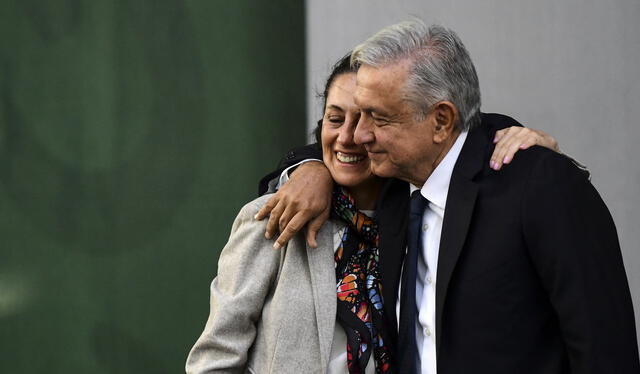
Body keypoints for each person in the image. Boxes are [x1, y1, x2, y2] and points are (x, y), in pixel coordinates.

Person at [256, 21, 639, 374]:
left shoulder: (540, 187)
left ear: (440, 121)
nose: (360, 135)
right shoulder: (392, 188)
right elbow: (335, 152)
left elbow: (606, 353)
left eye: (378, 117)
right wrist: (310, 169)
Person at [186, 52, 560, 373]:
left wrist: (517, 138)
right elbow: (215, 358)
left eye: (369, 119)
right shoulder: (277, 213)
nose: (350, 136)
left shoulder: (424, 222)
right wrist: (309, 167)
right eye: (335, 119)